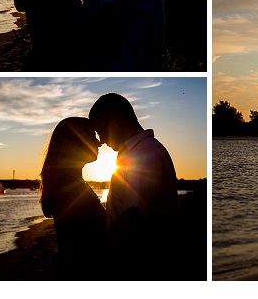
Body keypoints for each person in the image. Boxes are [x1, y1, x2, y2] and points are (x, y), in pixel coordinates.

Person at [89, 93, 180, 279]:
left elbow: (132, 218)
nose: (102, 140)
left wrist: (106, 254)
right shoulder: (135, 152)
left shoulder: (144, 154)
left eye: (102, 132)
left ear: (115, 120)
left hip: (142, 265)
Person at [40, 117, 107, 280]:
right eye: (92, 136)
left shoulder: (73, 182)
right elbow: (82, 246)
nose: (99, 143)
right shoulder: (69, 188)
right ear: (76, 142)